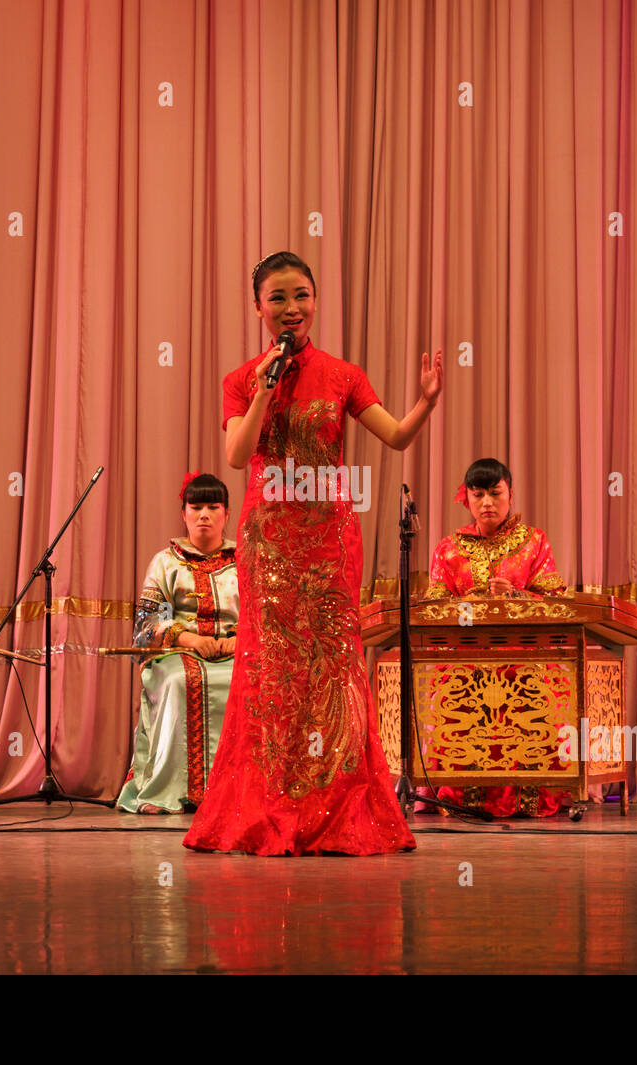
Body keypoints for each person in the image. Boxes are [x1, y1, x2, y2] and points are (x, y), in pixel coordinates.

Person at [183, 251, 442, 855]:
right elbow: (235, 455)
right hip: (267, 541)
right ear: (258, 309)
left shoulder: (343, 373)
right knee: (271, 673)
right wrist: (264, 390)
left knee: (333, 672)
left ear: (316, 301)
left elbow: (397, 436)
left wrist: (426, 401)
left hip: (328, 540)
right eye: (277, 298)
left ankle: (337, 804)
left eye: (300, 295)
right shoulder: (242, 377)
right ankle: (268, 801)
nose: (290, 308)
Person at [419, 457, 571, 817]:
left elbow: (557, 603)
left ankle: (528, 796)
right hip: (466, 667)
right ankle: (462, 794)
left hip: (524, 666)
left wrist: (517, 594)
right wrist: (467, 602)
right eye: (479, 494)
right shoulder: (449, 548)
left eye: (495, 493)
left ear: (510, 495)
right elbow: (433, 608)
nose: (487, 502)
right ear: (467, 499)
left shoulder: (534, 541)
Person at [118, 471, 239, 814]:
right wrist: (188, 638)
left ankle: (240, 789)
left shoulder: (245, 562)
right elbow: (145, 623)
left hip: (235, 654)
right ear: (183, 513)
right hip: (178, 653)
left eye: (213, 507)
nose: (204, 514)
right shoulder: (166, 562)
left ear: (226, 514)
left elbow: (265, 615)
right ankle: (165, 789)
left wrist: (238, 640)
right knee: (178, 681)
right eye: (195, 506)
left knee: (250, 681)